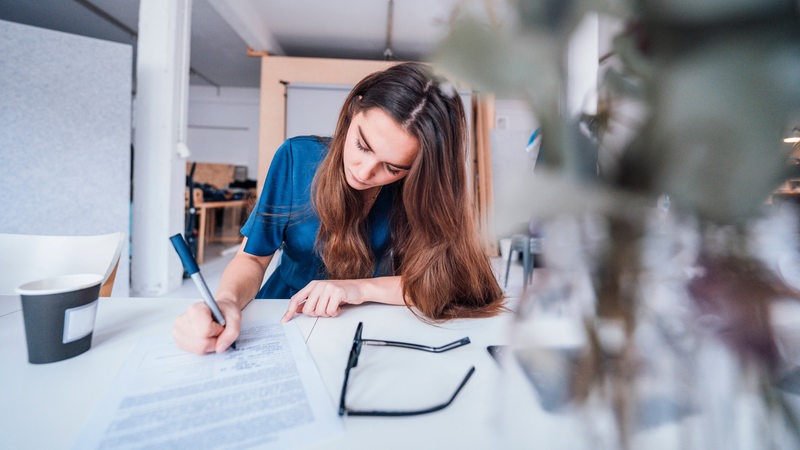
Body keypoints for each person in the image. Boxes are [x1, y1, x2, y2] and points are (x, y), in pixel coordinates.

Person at [173, 62, 505, 354]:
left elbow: (451, 284)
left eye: (393, 167)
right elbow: (252, 258)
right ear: (353, 110)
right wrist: (228, 302)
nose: (364, 172)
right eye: (362, 145)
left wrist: (358, 288)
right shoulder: (295, 158)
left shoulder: (423, 191)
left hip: (371, 325)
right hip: (284, 317)